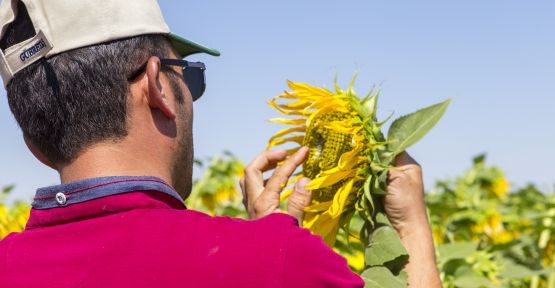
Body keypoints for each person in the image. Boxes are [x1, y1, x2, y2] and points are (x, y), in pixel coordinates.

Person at [0, 0, 440, 287]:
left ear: (33, 144)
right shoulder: (274, 264)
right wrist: (411, 230)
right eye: (188, 76)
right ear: (156, 86)